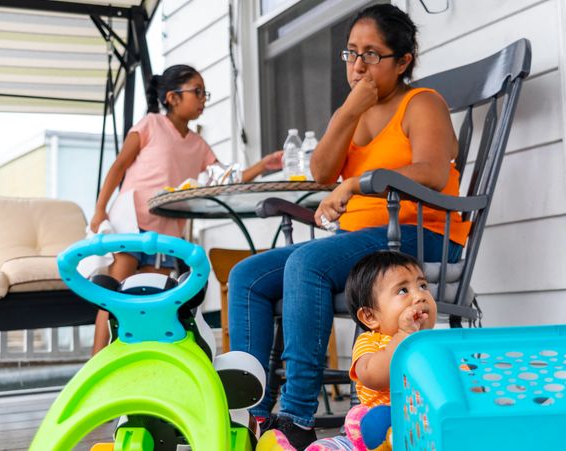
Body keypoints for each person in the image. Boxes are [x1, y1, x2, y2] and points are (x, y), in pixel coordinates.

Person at [230, 4, 470, 450]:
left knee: (307, 261)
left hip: (421, 234)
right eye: (351, 53)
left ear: (403, 61)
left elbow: (434, 173)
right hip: (360, 241)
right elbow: (322, 173)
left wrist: (359, 183)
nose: (358, 65)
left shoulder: (422, 104)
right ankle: (255, 415)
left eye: (372, 54)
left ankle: (297, 414)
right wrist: (347, 110)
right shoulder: (356, 110)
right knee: (248, 276)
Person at [90, 64, 282, 355]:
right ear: (172, 97)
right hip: (132, 222)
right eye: (198, 92)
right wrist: (100, 210)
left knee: (156, 297)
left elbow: (225, 178)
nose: (204, 98)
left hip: (167, 231)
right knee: (117, 293)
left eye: (205, 92)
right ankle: (98, 360)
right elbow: (118, 167)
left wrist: (262, 165)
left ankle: (142, 360)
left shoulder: (198, 144)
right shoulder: (150, 125)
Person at [304, 251, 436, 450]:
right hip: (378, 428)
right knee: (373, 423)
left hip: (428, 427)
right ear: (370, 317)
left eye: (423, 286)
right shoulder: (371, 341)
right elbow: (373, 377)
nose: (420, 296)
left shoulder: (436, 345)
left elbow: (463, 383)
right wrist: (403, 335)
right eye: (403, 291)